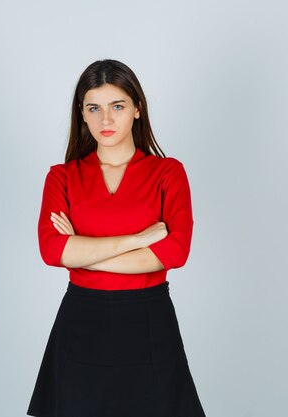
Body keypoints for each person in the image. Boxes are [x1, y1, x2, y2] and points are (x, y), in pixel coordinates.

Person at [27, 59, 206, 417]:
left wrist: (80, 250)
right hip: (82, 323)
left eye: (117, 106)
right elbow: (51, 249)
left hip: (148, 323)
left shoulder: (168, 173)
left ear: (137, 109)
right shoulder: (62, 177)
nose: (105, 120)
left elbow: (174, 251)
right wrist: (138, 239)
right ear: (82, 113)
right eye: (94, 108)